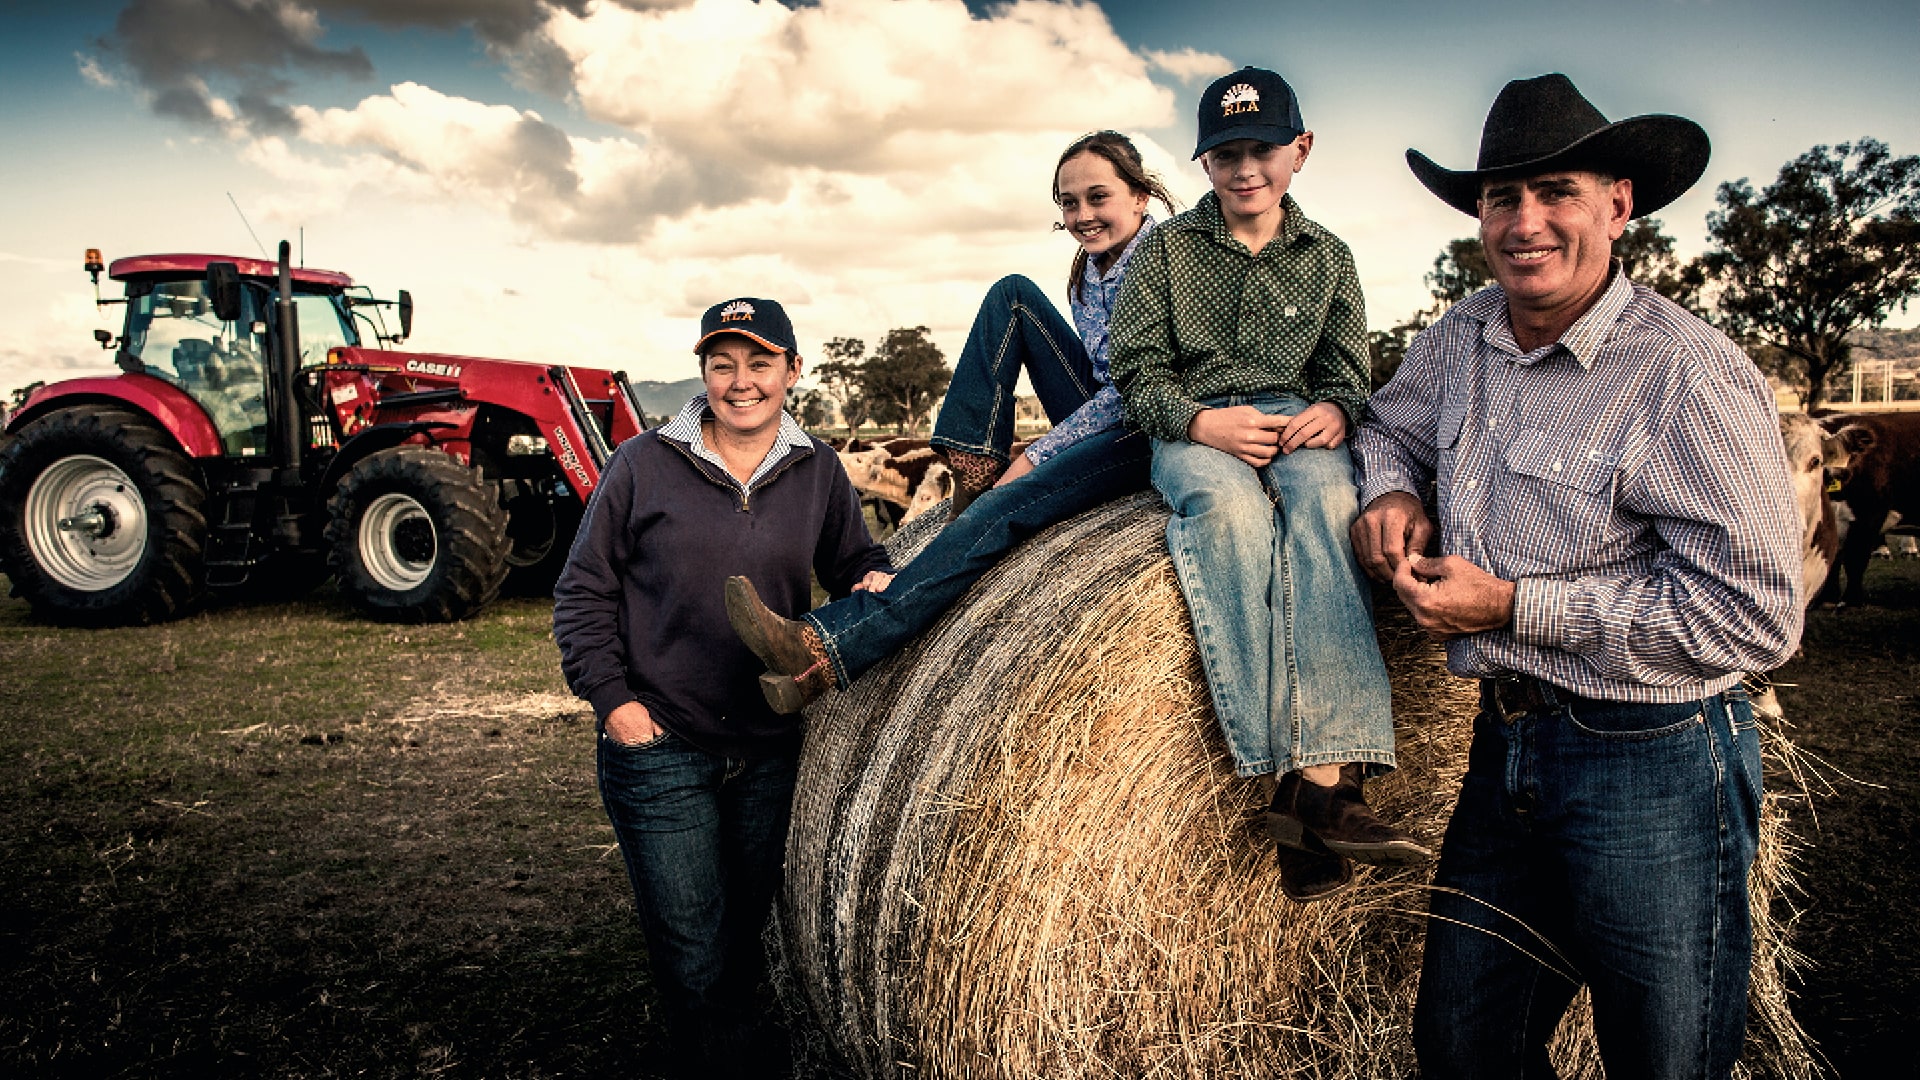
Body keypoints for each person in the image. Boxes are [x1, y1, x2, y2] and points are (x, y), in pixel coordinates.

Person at [1349, 74, 1803, 1078]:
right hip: (1505, 749)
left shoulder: (1684, 372)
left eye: (1555, 191)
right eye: (1501, 199)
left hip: (1653, 760)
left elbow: (1758, 616)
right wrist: (1390, 493)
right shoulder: (1463, 334)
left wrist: (1511, 606)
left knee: (1664, 1058)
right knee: (1468, 1045)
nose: (1525, 222)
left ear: (1619, 204)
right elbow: (1386, 426)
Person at [1108, 66, 1427, 904]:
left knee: (1329, 505)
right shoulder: (1167, 252)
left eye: (1262, 150)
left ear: (1300, 150)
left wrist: (1336, 407)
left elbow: (1349, 373)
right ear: (1205, 164)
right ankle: (1299, 777)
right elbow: (1136, 370)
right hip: (1197, 425)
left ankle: (1316, 787)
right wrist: (1197, 422)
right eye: (1226, 155)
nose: (1245, 168)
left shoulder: (1329, 257)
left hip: (1298, 424)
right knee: (1230, 520)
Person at [552, 298, 892, 1078]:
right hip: (663, 745)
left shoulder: (818, 472)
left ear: (793, 371)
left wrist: (875, 578)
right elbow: (582, 592)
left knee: (746, 937)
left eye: (760, 363)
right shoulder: (642, 463)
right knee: (697, 957)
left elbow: (852, 562)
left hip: (771, 747)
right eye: (723, 363)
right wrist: (615, 703)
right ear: (704, 371)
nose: (741, 382)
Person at [726, 131, 1176, 713]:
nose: (1082, 216)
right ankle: (970, 466)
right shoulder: (1091, 271)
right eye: (1068, 204)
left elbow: (1135, 393)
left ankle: (827, 646)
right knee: (1011, 294)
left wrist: (1037, 454)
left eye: (1098, 197)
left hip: (1154, 428)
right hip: (1109, 412)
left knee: (1001, 514)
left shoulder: (1166, 259)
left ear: (1140, 196)